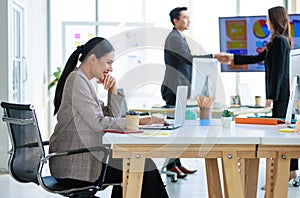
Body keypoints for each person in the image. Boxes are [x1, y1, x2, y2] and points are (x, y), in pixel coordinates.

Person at [49, 37, 169, 198]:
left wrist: (112, 90)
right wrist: (141, 121)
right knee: (140, 166)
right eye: (108, 62)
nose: (111, 69)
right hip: (74, 165)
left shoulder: (83, 81)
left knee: (137, 164)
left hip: (84, 157)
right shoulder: (77, 80)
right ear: (93, 59)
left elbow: (110, 116)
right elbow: (99, 123)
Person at [215, 6, 299, 188]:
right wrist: (232, 58)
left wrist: (271, 97)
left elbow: (278, 73)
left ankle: (284, 174)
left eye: (268, 19)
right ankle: (289, 172)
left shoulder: (280, 42)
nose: (266, 22)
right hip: (280, 96)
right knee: (280, 136)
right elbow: (257, 58)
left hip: (281, 97)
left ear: (275, 20)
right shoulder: (277, 41)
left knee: (279, 138)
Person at [161, 7, 214, 178]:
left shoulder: (179, 37)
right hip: (173, 88)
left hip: (179, 87)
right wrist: (213, 56)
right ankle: (171, 165)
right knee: (175, 128)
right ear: (175, 21)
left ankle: (176, 163)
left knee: (179, 127)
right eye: (185, 18)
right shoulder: (174, 38)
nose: (188, 21)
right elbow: (187, 59)